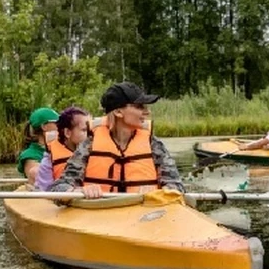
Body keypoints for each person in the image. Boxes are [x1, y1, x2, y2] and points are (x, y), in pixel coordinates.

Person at [50, 82, 184, 198]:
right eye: (139, 107)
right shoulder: (89, 145)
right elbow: (59, 187)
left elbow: (177, 186)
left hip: (143, 215)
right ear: (118, 112)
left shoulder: (153, 144)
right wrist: (79, 190)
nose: (147, 112)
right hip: (102, 216)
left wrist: (160, 192)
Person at [33, 106, 92, 190]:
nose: (89, 135)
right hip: (63, 197)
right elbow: (45, 190)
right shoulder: (49, 159)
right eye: (84, 130)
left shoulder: (95, 151)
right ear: (67, 132)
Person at [17, 107, 59, 185]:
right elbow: (38, 177)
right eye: (57, 123)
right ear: (44, 127)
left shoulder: (62, 149)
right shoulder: (29, 155)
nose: (60, 126)